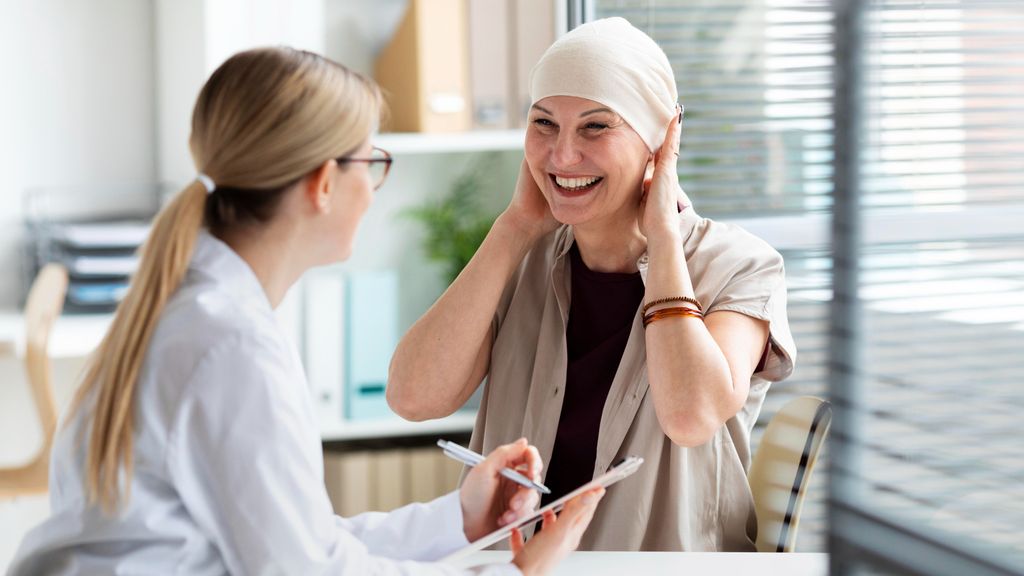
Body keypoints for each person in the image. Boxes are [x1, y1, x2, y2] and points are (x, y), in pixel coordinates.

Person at [7, 47, 604, 576]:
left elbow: (296, 544)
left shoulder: (190, 311)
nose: (373, 190)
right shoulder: (231, 347)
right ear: (323, 183)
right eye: (373, 164)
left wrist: (459, 518)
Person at [387, 17, 796, 552]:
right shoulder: (521, 257)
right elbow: (413, 399)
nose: (562, 156)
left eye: (596, 126)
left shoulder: (738, 265)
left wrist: (663, 239)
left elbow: (691, 416)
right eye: (544, 124)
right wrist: (513, 227)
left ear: (658, 143)